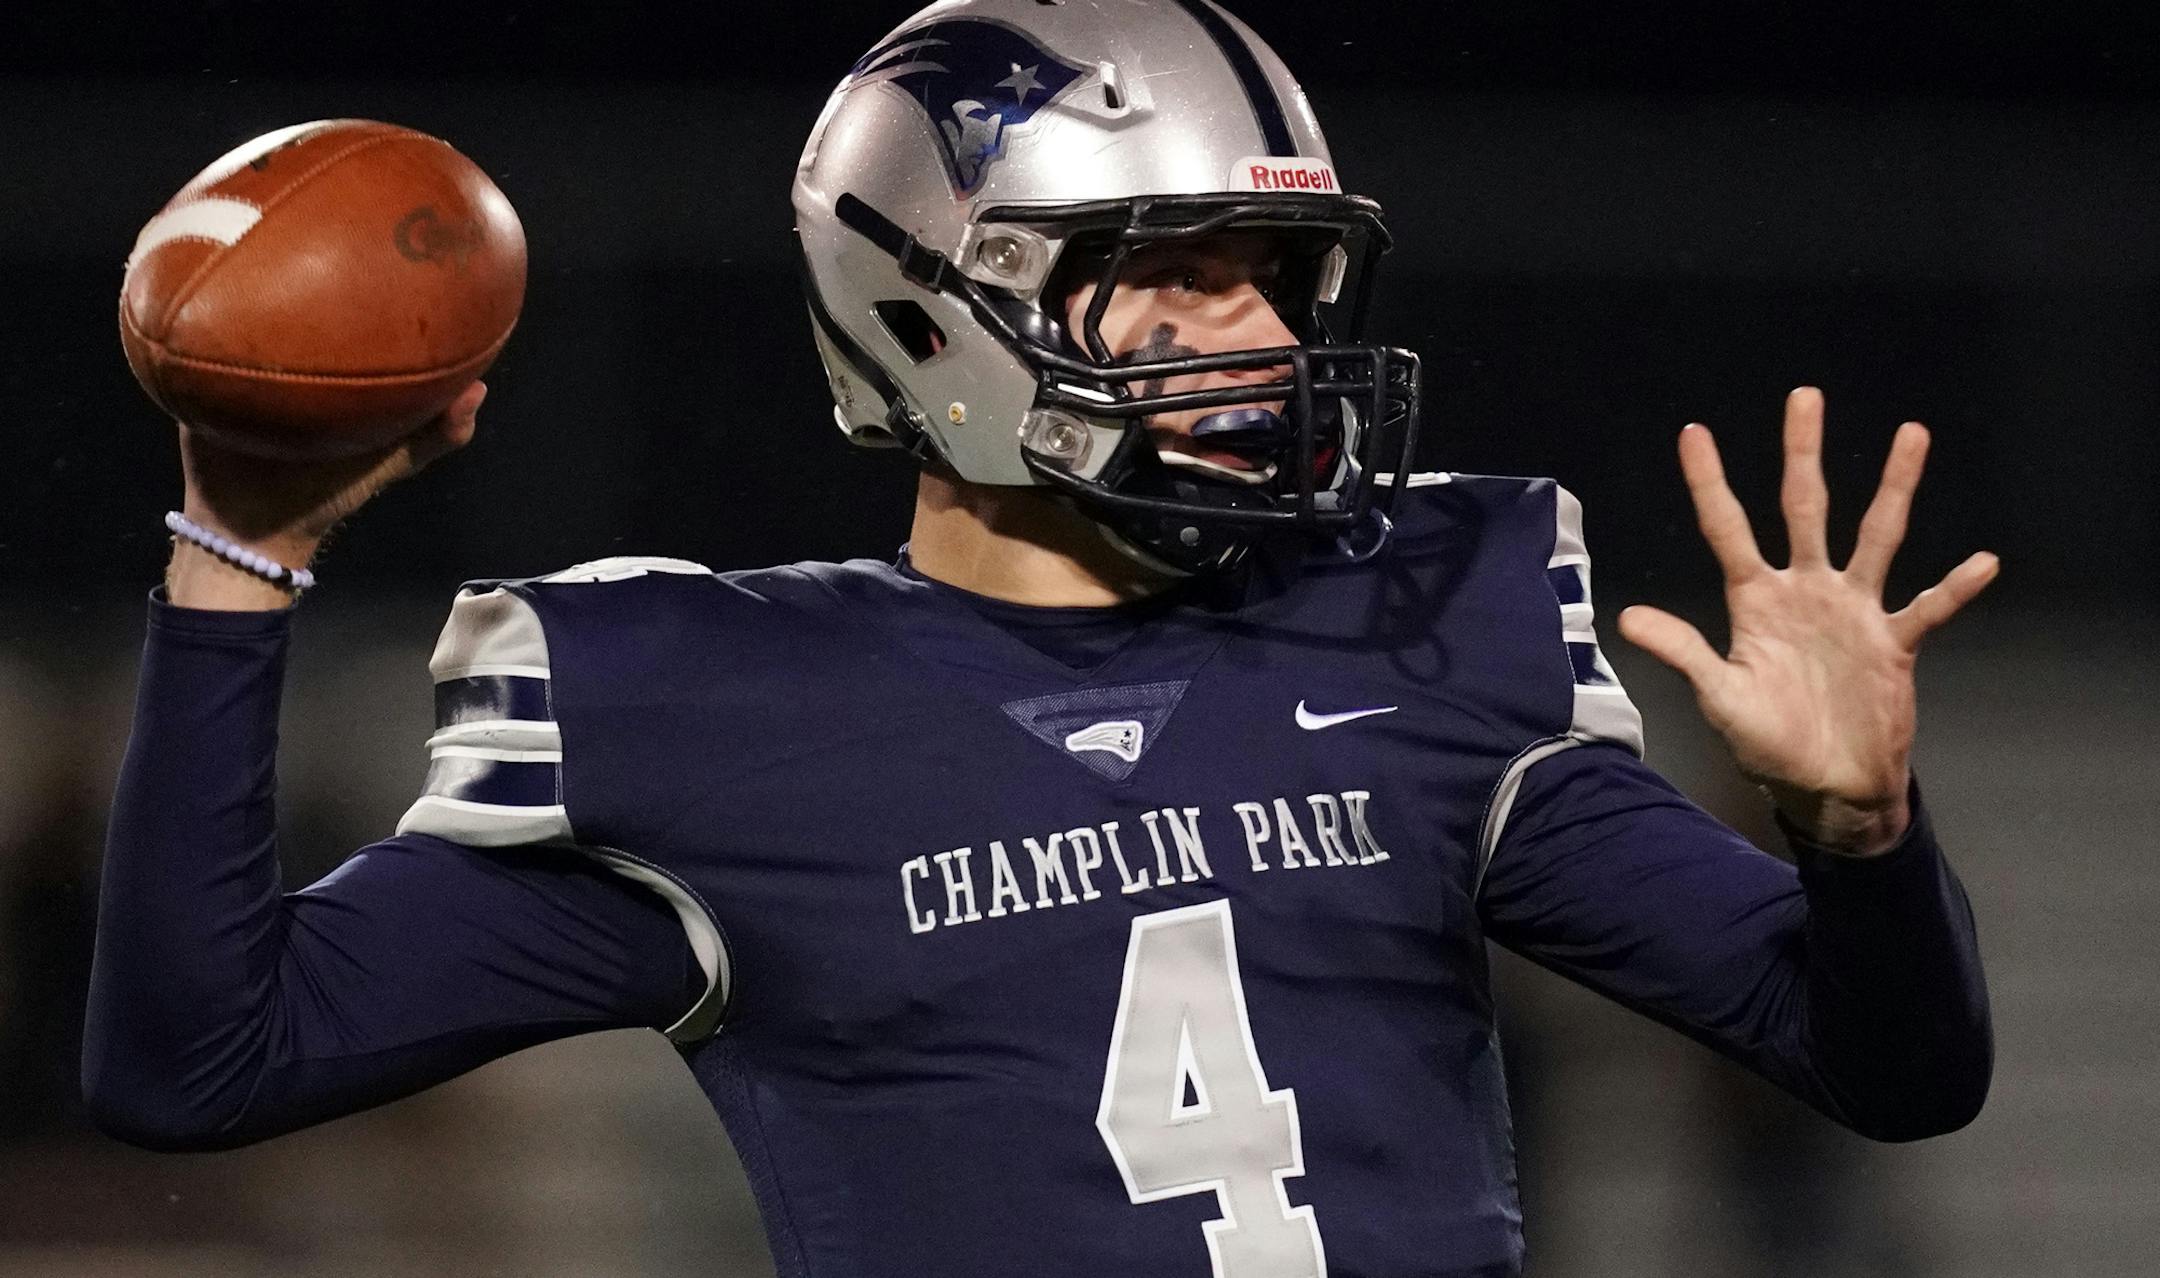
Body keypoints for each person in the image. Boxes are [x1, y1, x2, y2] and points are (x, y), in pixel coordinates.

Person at [83, 1, 1998, 1274]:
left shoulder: (1419, 622)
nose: (1251, 335)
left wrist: (1866, 845)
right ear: (932, 315)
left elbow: (1888, 1066)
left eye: (1271, 274)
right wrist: (232, 562)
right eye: (1168, 275)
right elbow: (201, 1066)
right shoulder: (720, 717)